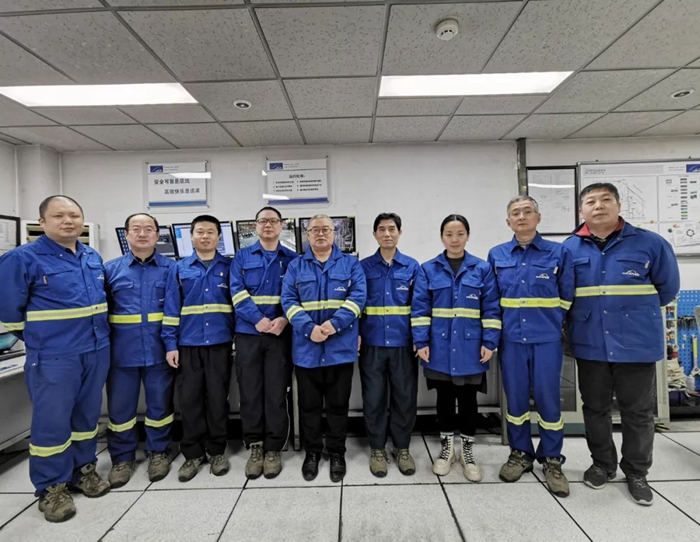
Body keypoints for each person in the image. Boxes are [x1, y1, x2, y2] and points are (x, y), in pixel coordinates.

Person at [564, 183, 679, 506]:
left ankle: (637, 472)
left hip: (636, 342)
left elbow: (667, 288)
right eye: (591, 201)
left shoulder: (650, 243)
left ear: (618, 205)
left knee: (638, 411)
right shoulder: (569, 249)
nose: (598, 206)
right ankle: (602, 464)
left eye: (606, 200)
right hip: (590, 341)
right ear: (581, 210)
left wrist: (630, 314)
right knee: (595, 408)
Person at [0, 195, 110, 523]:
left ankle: (83, 470)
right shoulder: (22, 259)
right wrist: (39, 339)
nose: (68, 221)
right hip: (54, 355)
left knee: (86, 417)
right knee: (52, 422)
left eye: (74, 215)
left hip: (95, 350)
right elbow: (8, 311)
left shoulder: (91, 256)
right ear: (42, 222)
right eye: (59, 216)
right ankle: (52, 487)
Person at [487, 196, 574, 498]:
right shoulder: (497, 254)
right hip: (511, 340)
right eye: (515, 213)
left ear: (538, 218)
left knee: (549, 400)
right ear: (508, 221)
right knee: (516, 401)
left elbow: (567, 296)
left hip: (546, 339)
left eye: (527, 212)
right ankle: (520, 453)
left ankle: (552, 459)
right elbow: (492, 299)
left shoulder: (558, 253)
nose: (521, 217)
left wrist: (551, 321)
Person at [413, 214, 501, 482]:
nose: (454, 239)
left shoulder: (482, 269)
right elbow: (420, 309)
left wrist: (489, 342)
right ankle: (447, 450)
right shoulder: (428, 269)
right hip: (438, 347)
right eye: (449, 234)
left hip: (470, 348)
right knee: (444, 399)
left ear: (467, 236)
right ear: (442, 237)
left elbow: (491, 308)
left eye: (460, 234)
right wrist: (421, 341)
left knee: (468, 400)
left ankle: (468, 452)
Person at [281, 214, 366, 483]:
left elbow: (358, 298)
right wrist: (309, 328)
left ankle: (337, 452)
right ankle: (313, 453)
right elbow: (288, 300)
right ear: (307, 235)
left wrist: (333, 325)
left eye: (326, 229)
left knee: (338, 405)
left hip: (340, 348)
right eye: (315, 229)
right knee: (309, 406)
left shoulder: (351, 264)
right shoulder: (296, 266)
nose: (320, 233)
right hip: (307, 350)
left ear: (334, 233)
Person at [104, 213, 176, 488]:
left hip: (159, 350)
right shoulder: (110, 270)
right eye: (136, 229)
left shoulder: (171, 269)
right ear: (126, 234)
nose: (143, 234)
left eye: (148, 229)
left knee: (160, 405)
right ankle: (122, 458)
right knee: (120, 410)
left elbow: (175, 311)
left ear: (158, 234)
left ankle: (158, 453)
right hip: (121, 353)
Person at [162, 215, 234, 482]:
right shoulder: (179, 269)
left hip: (220, 344)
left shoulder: (230, 267)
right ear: (191, 236)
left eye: (210, 232)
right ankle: (192, 454)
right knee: (190, 401)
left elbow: (236, 306)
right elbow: (171, 310)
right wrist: (171, 344)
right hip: (188, 345)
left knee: (218, 400)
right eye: (200, 232)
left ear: (219, 237)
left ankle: (217, 451)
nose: (205, 236)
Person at [230, 206, 297, 480]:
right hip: (249, 333)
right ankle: (255, 446)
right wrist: (257, 319)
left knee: (276, 392)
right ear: (255, 226)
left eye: (273, 221)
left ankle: (273, 448)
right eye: (262, 221)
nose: (268, 225)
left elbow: (297, 294)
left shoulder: (292, 259)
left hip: (280, 335)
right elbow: (237, 291)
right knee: (250, 392)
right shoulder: (241, 257)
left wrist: (284, 319)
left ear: (282, 226)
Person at [359, 213, 424, 477]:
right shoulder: (363, 267)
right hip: (372, 343)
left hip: (403, 344)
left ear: (399, 232)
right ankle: (377, 449)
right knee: (373, 398)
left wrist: (420, 338)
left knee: (404, 398)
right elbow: (356, 305)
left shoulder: (412, 266)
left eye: (392, 229)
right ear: (375, 234)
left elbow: (420, 306)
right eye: (382, 229)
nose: (387, 233)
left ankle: (402, 448)